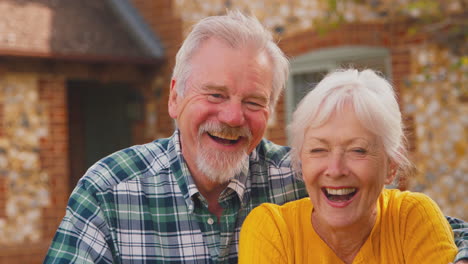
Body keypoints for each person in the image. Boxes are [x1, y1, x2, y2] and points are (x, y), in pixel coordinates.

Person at [44, 11, 468, 264]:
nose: (232, 116)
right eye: (214, 94)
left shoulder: (305, 173)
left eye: (253, 101)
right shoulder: (110, 190)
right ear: (175, 97)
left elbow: (438, 232)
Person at [239, 69, 458, 263]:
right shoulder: (272, 229)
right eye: (318, 150)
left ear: (391, 165)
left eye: (358, 150)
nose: (335, 170)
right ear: (301, 164)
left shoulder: (412, 217)